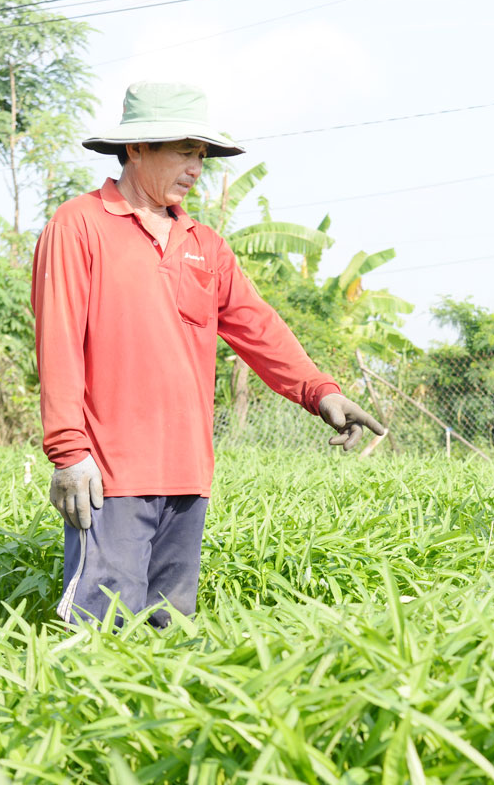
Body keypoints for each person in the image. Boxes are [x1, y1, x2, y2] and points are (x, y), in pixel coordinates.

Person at [31, 81, 385, 625]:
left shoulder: (205, 245)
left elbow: (257, 327)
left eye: (201, 155)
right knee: (101, 633)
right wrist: (68, 453)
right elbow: (58, 344)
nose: (196, 167)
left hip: (188, 474)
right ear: (136, 148)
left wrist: (321, 392)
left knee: (169, 632)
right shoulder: (79, 226)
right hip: (110, 475)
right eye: (183, 150)